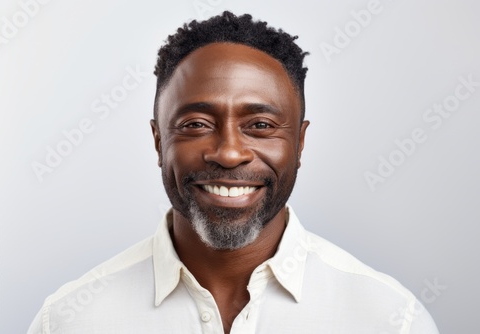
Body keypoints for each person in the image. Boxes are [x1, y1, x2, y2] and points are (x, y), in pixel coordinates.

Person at [28, 11, 439, 334]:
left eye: (260, 125)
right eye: (195, 125)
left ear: (299, 143)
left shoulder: (392, 320)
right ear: (158, 141)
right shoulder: (67, 322)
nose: (228, 153)